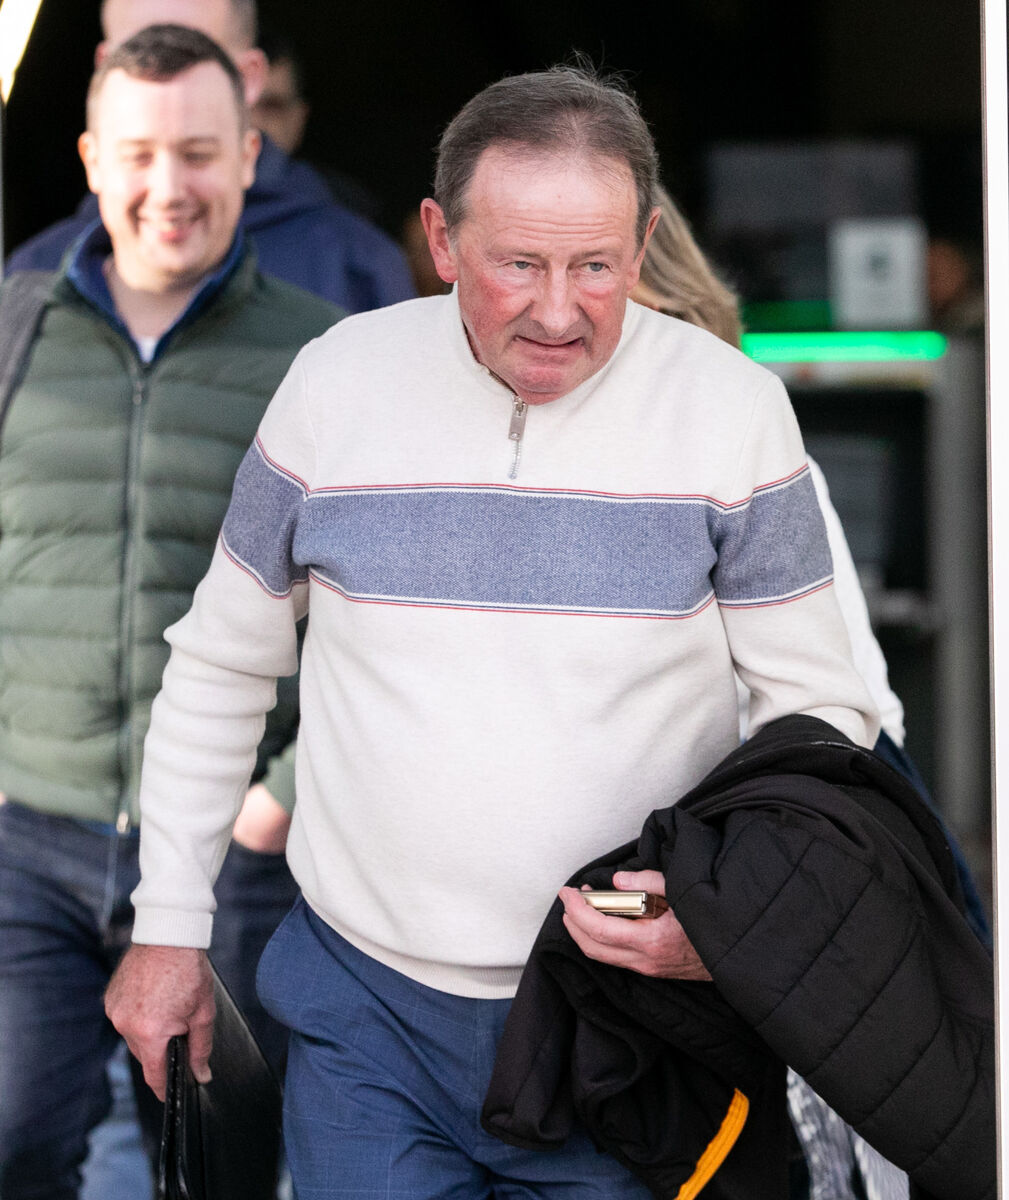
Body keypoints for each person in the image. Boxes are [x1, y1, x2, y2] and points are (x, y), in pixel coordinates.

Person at [106, 64, 878, 1198]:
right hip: (363, 1016)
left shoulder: (730, 410)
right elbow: (221, 666)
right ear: (441, 239)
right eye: (519, 264)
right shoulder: (336, 386)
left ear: (646, 239)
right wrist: (170, 926)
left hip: (629, 1025)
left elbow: (822, 718)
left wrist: (729, 930)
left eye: (597, 267)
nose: (558, 311)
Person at [0, 25, 339, 1199]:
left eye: (198, 152)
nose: (167, 187)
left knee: (217, 1170)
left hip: (231, 854)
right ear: (92, 158)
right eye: (138, 154)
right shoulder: (13, 331)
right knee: (13, 1146)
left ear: (250, 155)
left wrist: (280, 799)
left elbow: (386, 609)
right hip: (25, 836)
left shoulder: (323, 360)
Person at [5, 0, 415, 314]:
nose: (166, 83)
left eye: (195, 55)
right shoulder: (34, 276)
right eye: (140, 55)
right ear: (103, 68)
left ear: (250, 76)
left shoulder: (356, 268)